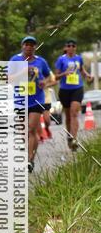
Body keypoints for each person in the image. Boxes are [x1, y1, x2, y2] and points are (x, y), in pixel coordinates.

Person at [9, 35, 52, 172]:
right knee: (24, 131)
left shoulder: (41, 61)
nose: (29, 47)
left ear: (35, 47)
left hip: (36, 100)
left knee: (31, 129)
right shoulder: (15, 60)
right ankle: (27, 153)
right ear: (22, 46)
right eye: (26, 44)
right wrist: (23, 71)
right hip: (20, 100)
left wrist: (44, 83)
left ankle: (30, 160)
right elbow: (7, 79)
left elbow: (49, 77)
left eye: (32, 45)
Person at [54, 38, 93, 150]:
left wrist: (88, 76)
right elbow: (56, 77)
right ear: (65, 48)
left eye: (73, 46)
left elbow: (81, 70)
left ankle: (74, 138)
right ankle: (69, 136)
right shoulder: (61, 59)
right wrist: (64, 73)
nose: (71, 47)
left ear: (75, 48)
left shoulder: (78, 58)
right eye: (69, 46)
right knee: (68, 117)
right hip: (64, 90)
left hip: (77, 88)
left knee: (74, 113)